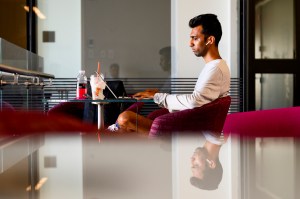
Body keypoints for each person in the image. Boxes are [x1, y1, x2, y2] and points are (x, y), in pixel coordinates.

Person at [109, 13, 230, 135]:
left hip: (190, 131)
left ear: (210, 40)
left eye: (195, 38)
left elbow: (194, 101)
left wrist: (158, 96)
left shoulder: (215, 68)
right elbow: (199, 102)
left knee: (125, 118)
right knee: (126, 124)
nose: (190, 43)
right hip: (189, 124)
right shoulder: (215, 66)